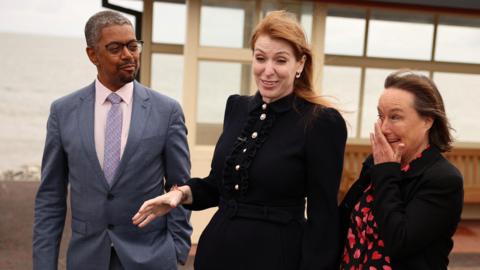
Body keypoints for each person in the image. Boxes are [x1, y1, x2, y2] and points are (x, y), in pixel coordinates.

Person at [132, 10, 347, 270]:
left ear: (300, 64)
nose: (268, 70)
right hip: (217, 253)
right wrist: (179, 195)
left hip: (277, 258)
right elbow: (216, 185)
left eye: (280, 60)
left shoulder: (322, 122)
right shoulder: (237, 107)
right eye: (260, 58)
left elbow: (323, 217)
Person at [33, 10, 192, 270]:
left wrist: (177, 250)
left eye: (133, 45)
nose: (129, 54)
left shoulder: (167, 111)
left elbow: (180, 186)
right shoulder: (63, 112)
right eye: (116, 48)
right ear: (92, 55)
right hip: (87, 259)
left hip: (151, 258)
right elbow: (50, 196)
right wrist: (43, 264)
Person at [338, 70, 463, 269]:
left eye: (395, 117)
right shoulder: (377, 161)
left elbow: (399, 241)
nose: (384, 128)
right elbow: (345, 220)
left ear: (427, 121)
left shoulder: (443, 179)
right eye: (381, 116)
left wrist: (387, 171)